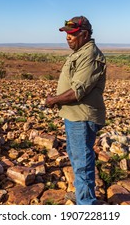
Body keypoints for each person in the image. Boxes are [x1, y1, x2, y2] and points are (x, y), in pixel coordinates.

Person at [45, 15, 106, 205]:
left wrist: (54, 100)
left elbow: (78, 91)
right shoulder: (80, 51)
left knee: (82, 162)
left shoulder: (90, 56)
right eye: (67, 34)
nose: (68, 37)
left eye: (72, 33)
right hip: (73, 115)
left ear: (85, 34)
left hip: (82, 116)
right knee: (76, 155)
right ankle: (82, 195)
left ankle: (86, 205)